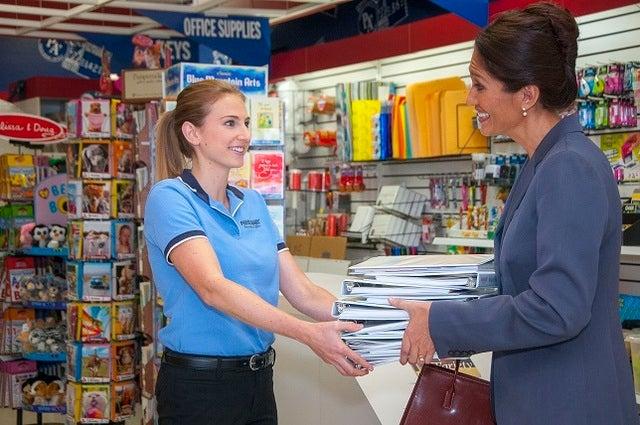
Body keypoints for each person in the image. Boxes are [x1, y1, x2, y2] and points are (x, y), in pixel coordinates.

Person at [389, 3, 638, 425]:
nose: (470, 98)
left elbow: (556, 308)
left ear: (527, 95)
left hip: (569, 405)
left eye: (479, 85)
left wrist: (444, 323)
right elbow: (525, 284)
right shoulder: (546, 162)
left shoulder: (567, 167)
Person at [144, 79, 372, 425]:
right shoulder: (170, 198)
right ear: (192, 133)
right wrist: (307, 333)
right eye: (230, 123)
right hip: (199, 388)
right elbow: (212, 288)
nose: (245, 135)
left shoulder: (252, 202)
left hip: (258, 383)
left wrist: (370, 323)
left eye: (246, 123)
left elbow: (303, 292)